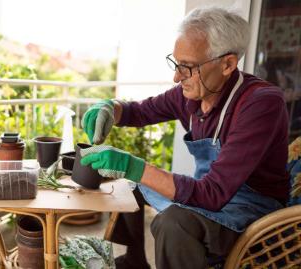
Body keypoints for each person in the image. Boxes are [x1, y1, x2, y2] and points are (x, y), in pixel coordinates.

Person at [80, 6, 289, 269]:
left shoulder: (260, 104)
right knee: (131, 186)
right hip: (210, 192)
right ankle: (135, 261)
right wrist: (110, 107)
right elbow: (138, 111)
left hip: (252, 209)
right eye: (176, 63)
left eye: (187, 67)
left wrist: (132, 165)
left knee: (174, 223)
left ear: (227, 64)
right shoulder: (189, 93)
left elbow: (213, 193)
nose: (177, 77)